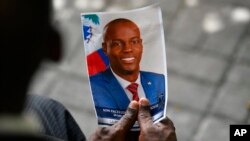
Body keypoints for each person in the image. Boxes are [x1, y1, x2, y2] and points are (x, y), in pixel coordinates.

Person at [0, 0, 176, 141]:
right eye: (117, 43)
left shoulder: (156, 79)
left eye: (135, 41)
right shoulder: (101, 81)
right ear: (55, 47)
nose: (128, 49)